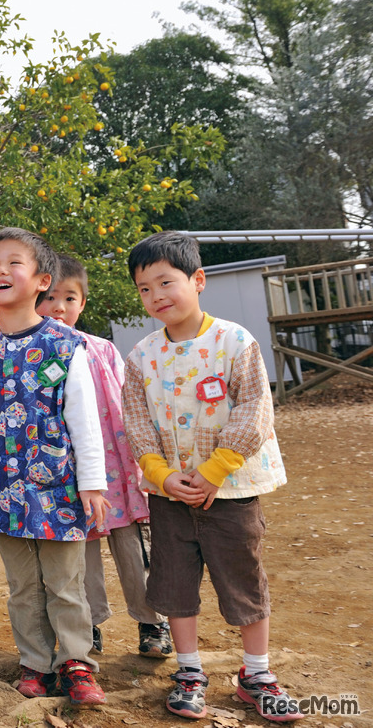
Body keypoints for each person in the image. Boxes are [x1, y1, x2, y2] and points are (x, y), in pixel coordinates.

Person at [122, 232, 298, 722]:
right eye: (144, 289)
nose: (156, 295)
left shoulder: (234, 342)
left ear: (197, 280)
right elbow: (136, 422)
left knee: (243, 579)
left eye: (166, 282)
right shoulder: (141, 357)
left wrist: (216, 469)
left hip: (231, 492)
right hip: (170, 496)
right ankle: (189, 671)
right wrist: (160, 474)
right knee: (175, 581)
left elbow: (254, 409)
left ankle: (256, 674)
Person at [0, 227, 109, 705]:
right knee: (22, 586)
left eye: (13, 263)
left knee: (65, 583)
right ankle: (35, 662)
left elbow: (84, 421)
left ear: (42, 281)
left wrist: (92, 484)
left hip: (57, 487)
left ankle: (76, 663)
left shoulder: (65, 344)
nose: (0, 270)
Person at [37, 254, 172, 659]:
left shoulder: (102, 349)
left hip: (116, 472)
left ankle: (153, 622)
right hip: (66, 474)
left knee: (132, 550)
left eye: (69, 298)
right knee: (82, 557)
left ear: (82, 303)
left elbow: (128, 403)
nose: (59, 307)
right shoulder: (35, 352)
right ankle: (88, 625)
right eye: (50, 298)